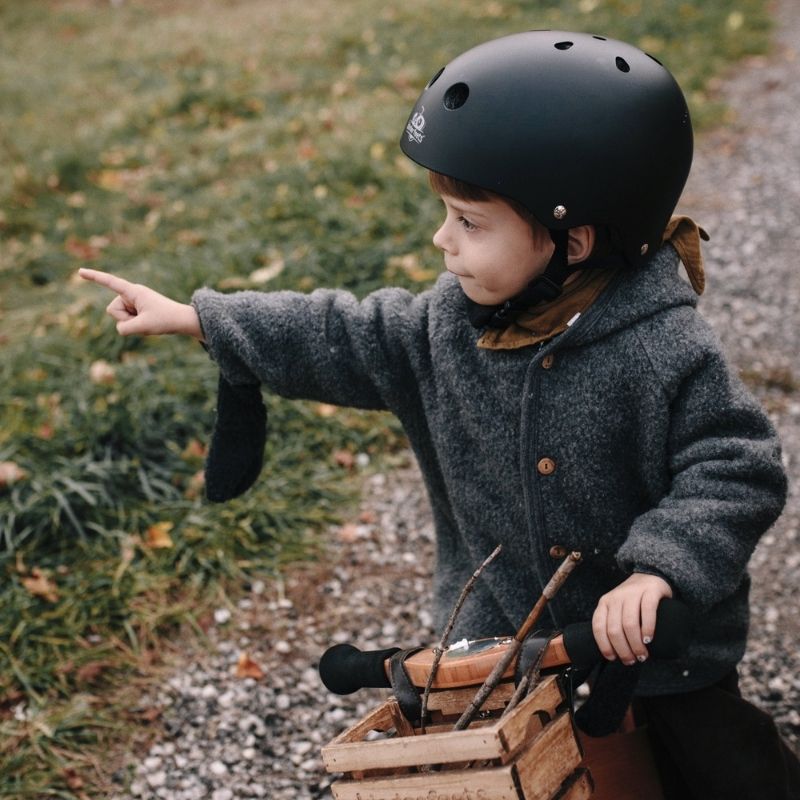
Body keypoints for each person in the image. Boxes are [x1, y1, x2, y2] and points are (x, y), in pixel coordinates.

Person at [80, 30, 799, 799]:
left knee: (721, 772)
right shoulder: (447, 327)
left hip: (654, 654)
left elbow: (736, 465)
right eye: (447, 215)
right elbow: (341, 334)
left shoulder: (661, 346)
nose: (441, 240)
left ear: (574, 240)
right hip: (502, 648)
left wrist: (660, 569)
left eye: (469, 222)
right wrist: (202, 319)